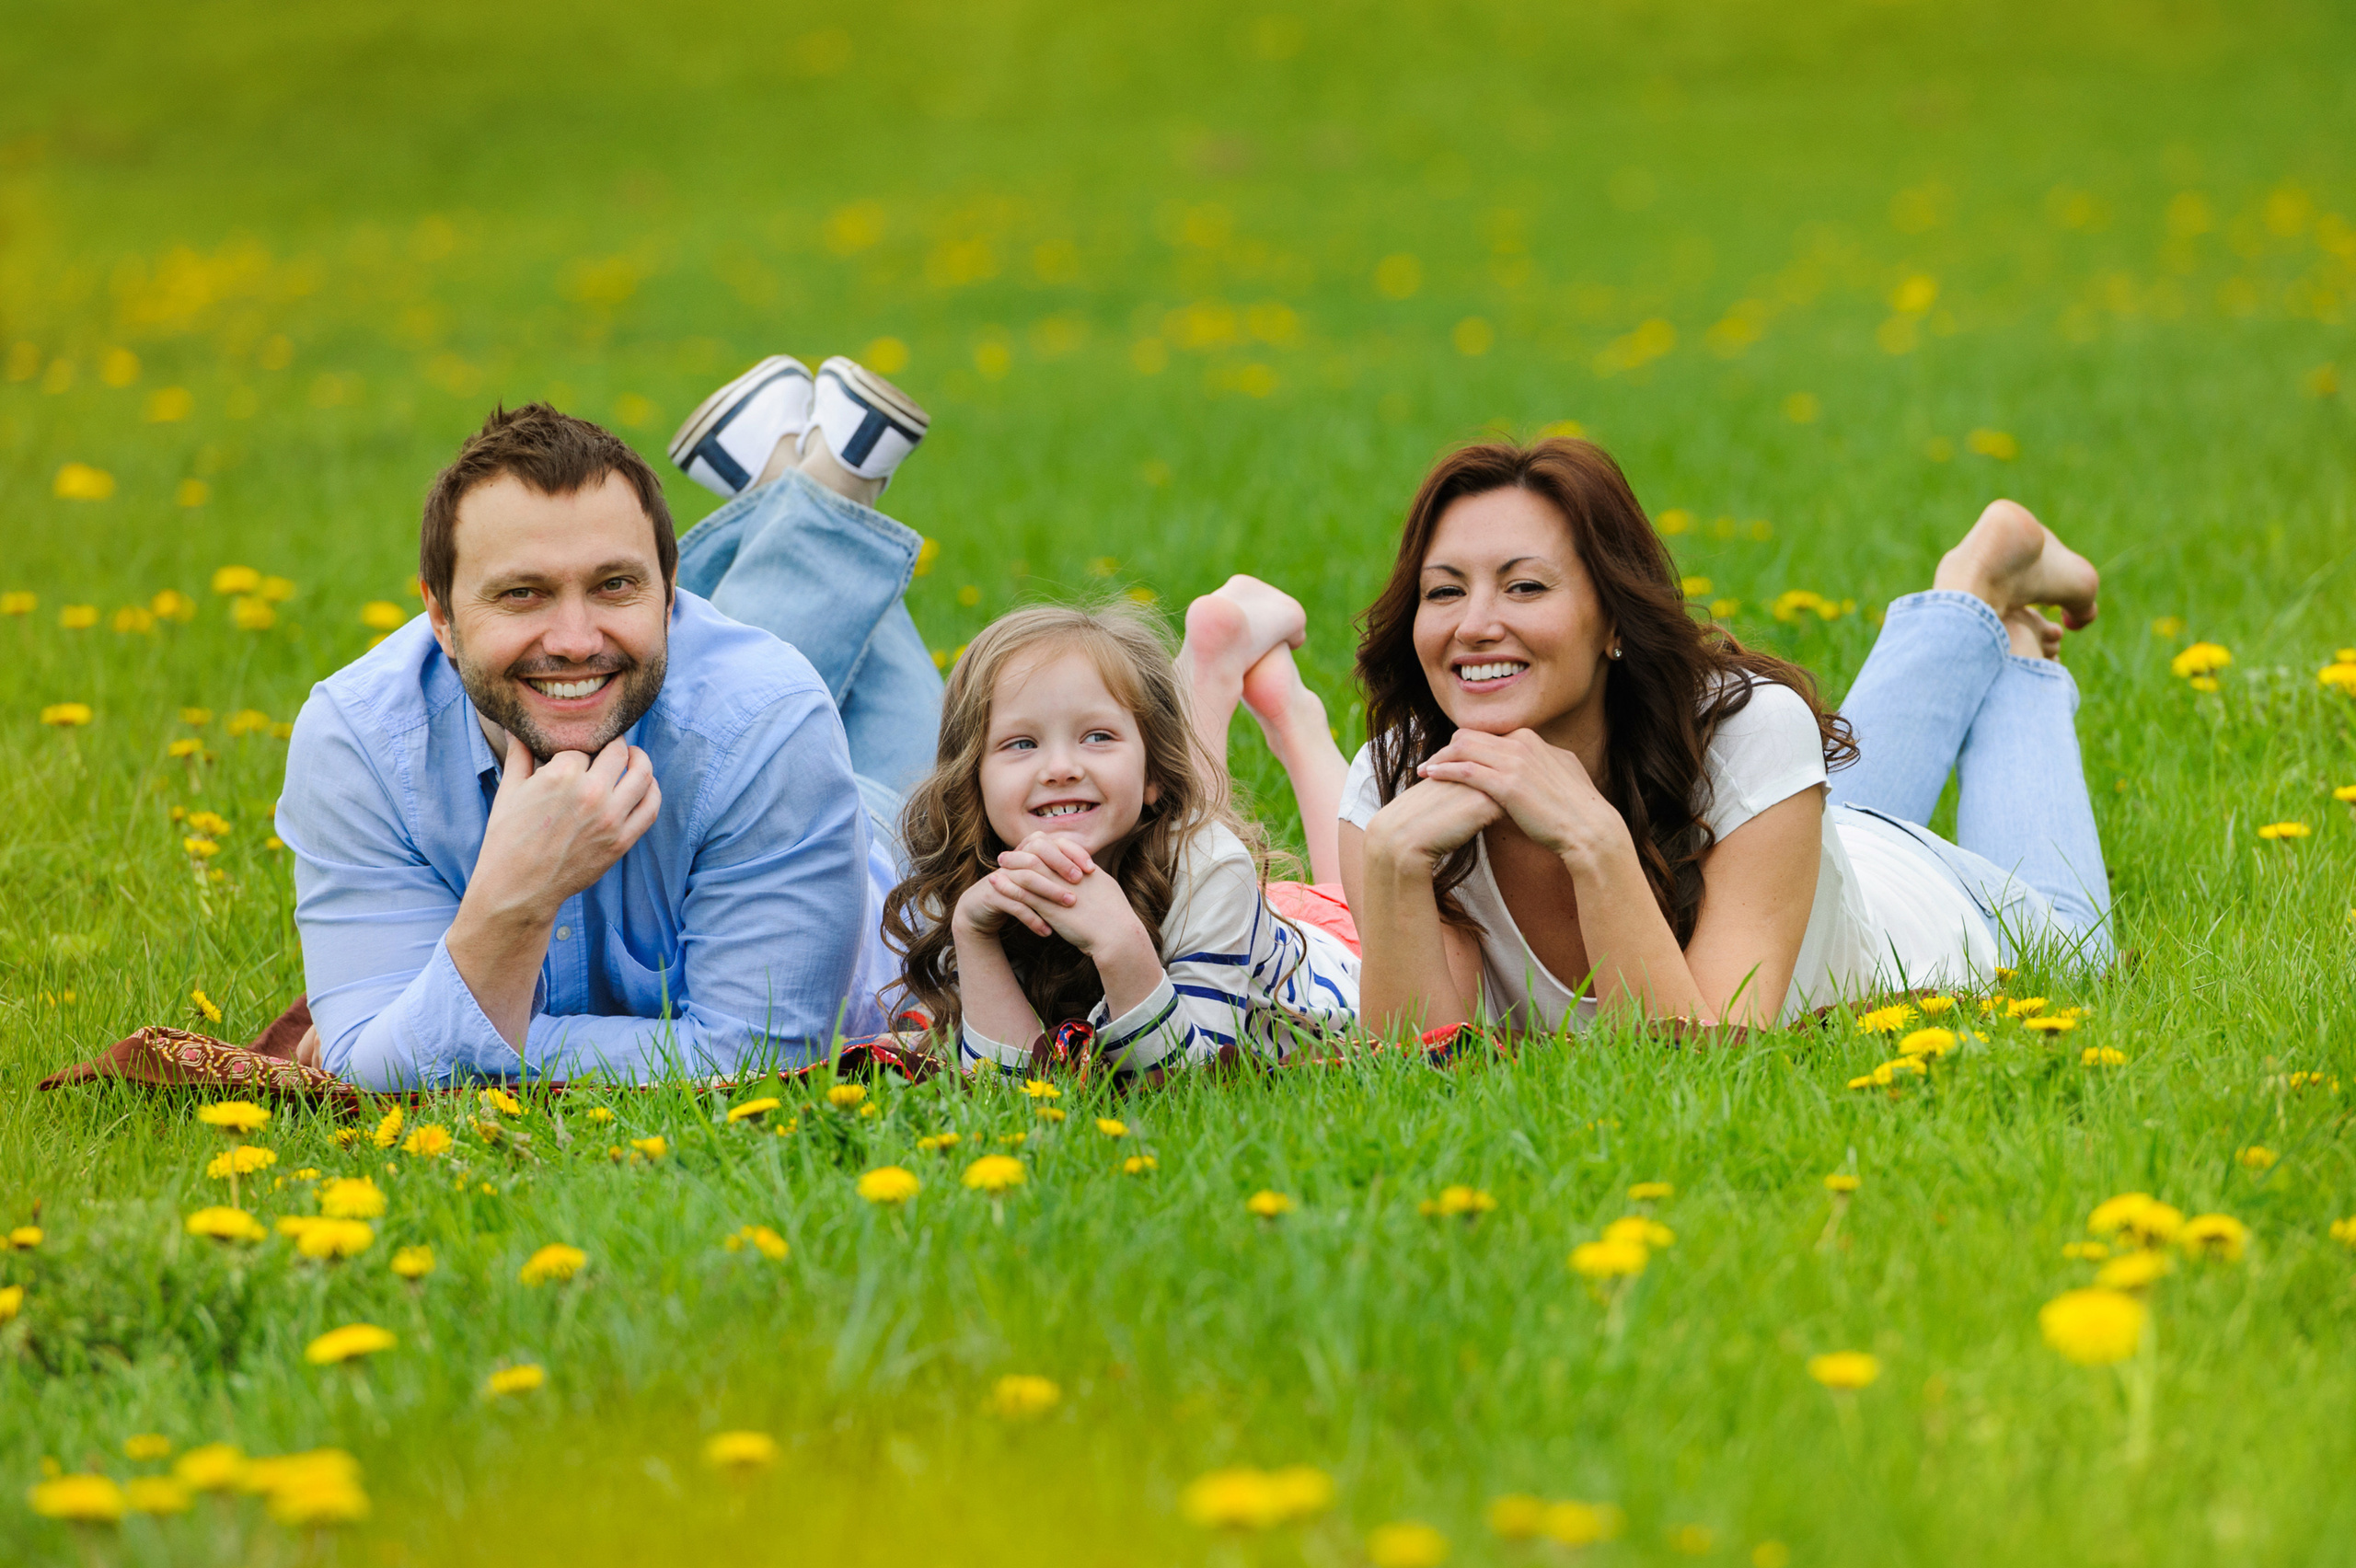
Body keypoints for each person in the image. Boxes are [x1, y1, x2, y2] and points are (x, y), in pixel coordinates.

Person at [280, 352, 941, 1088]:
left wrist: (445, 1035)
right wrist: (515, 894)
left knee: (888, 753)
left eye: (615, 583)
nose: (572, 637)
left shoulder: (771, 719)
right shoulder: (360, 742)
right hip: (714, 713)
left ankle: (809, 485)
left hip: (891, 856)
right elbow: (369, 1066)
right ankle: (812, 486)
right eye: (522, 594)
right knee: (644, 672)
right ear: (438, 616)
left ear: (673, 595)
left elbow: (759, 1064)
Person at [1338, 437, 2113, 1037]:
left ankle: (2003, 631)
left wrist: (1592, 840)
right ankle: (1974, 592)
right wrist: (1397, 866)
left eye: (1525, 586)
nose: (1474, 625)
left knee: (2076, 943)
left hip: (1923, 908)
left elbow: (1698, 1061)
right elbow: (1423, 1075)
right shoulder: (1393, 790)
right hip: (1793, 850)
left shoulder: (1749, 732)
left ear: (1612, 618)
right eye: (1444, 591)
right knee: (1811, 800)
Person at [881, 582, 1360, 1074]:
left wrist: (1120, 946)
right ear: (972, 780)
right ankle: (1210, 664)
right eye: (1022, 743)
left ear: (1155, 773)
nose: (1059, 768)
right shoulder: (972, 882)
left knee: (1344, 891)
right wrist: (974, 938)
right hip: (1227, 919)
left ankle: (1295, 717)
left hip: (1332, 957)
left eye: (1098, 736)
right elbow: (1010, 1092)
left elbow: (1193, 1086)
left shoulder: (1214, 869)